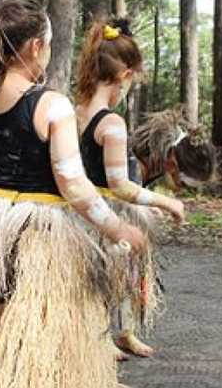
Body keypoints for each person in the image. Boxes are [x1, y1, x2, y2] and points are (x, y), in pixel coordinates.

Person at [0, 0, 146, 388]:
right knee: (40, 347)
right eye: (47, 42)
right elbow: (73, 184)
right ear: (34, 47)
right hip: (39, 244)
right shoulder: (51, 105)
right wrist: (117, 227)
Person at [74, 19, 185, 364]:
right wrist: (165, 201)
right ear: (124, 76)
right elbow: (120, 185)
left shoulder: (72, 112)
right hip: (104, 212)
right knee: (104, 276)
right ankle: (102, 336)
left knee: (125, 273)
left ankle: (124, 332)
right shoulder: (111, 123)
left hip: (77, 208)